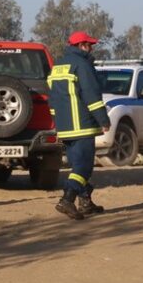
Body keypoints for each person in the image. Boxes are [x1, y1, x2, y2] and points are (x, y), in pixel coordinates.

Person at [47, 31, 111, 220]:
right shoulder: (82, 65)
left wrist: (57, 123)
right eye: (89, 45)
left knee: (76, 165)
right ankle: (67, 199)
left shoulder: (58, 66)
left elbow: (52, 100)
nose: (91, 49)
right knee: (83, 168)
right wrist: (104, 120)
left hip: (65, 127)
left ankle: (85, 203)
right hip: (82, 125)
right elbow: (92, 96)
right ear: (82, 45)